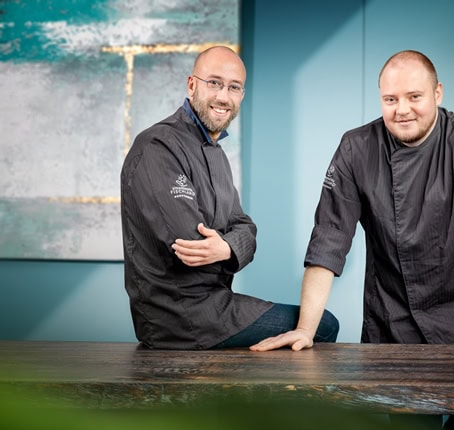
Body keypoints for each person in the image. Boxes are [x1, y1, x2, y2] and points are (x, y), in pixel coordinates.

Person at [251, 50, 454, 430]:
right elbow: (329, 241)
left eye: (414, 97)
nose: (402, 109)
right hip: (395, 320)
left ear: (437, 93)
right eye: (390, 99)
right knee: (412, 428)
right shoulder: (356, 148)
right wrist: (305, 328)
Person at [120, 46, 338, 350]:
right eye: (214, 83)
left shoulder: (217, 155)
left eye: (233, 87)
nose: (224, 96)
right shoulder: (157, 147)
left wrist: (224, 246)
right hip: (178, 316)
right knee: (324, 326)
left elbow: (246, 229)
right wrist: (231, 247)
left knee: (316, 325)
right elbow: (192, 249)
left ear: (241, 96)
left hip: (214, 306)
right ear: (192, 84)